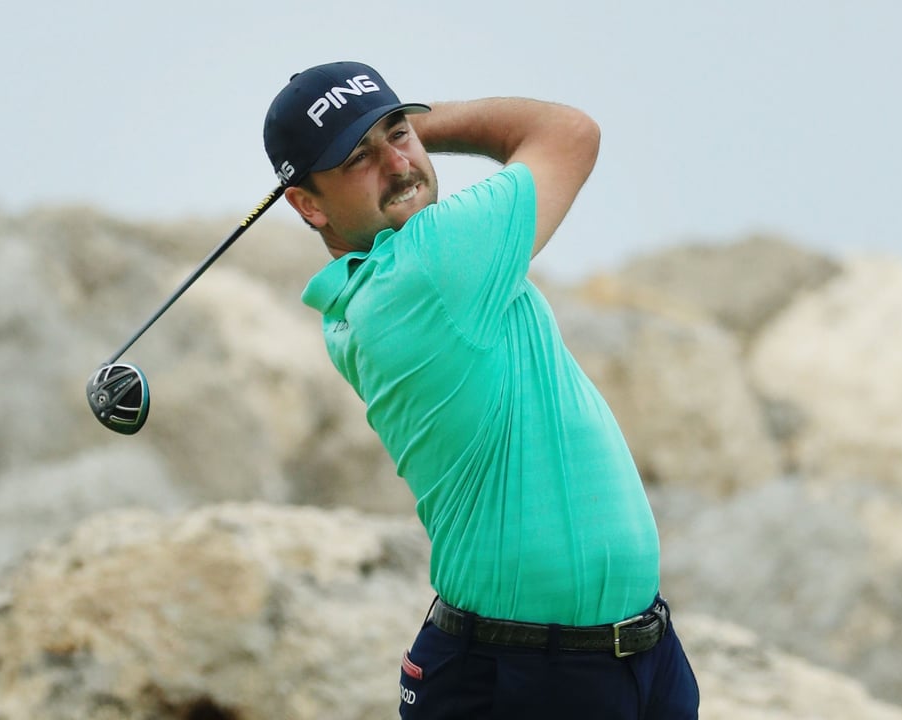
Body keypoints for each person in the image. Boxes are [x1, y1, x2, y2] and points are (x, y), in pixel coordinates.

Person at [263, 61, 699, 719]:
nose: (398, 164)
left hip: (624, 657)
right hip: (530, 679)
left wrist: (387, 138)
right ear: (307, 203)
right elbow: (568, 133)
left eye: (398, 132)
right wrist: (431, 123)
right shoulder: (427, 267)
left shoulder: (368, 288)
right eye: (358, 156)